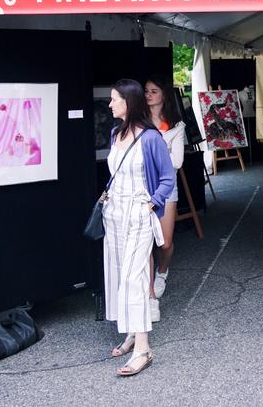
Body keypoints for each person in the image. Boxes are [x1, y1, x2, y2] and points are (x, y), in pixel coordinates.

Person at [103, 79, 176, 377]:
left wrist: (151, 204)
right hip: (114, 214)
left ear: (128, 103)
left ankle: (143, 348)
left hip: (138, 214)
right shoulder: (115, 133)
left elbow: (168, 178)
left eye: (114, 99)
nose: (110, 104)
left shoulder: (150, 137)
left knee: (135, 277)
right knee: (120, 274)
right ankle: (132, 332)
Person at [144, 76, 185, 303]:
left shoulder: (176, 125)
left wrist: (152, 156)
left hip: (167, 186)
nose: (148, 95)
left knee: (165, 242)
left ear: (164, 94)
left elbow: (177, 162)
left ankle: (162, 271)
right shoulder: (138, 121)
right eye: (146, 91)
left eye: (154, 91)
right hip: (142, 186)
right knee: (144, 240)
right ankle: (147, 283)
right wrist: (164, 152)